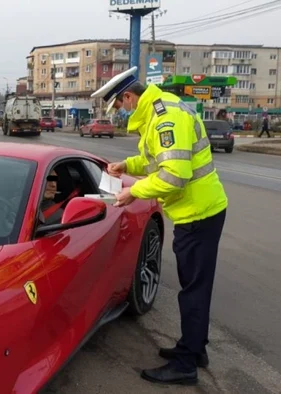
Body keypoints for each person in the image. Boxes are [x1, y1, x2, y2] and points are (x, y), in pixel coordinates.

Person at [91, 67, 228, 386]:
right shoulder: (159, 111)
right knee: (196, 287)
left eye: (120, 106)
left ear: (129, 96)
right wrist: (127, 165)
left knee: (193, 291)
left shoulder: (166, 119)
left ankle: (186, 365)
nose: (122, 113)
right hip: (196, 211)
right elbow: (156, 160)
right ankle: (194, 349)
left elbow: (174, 175)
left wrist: (132, 191)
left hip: (199, 214)